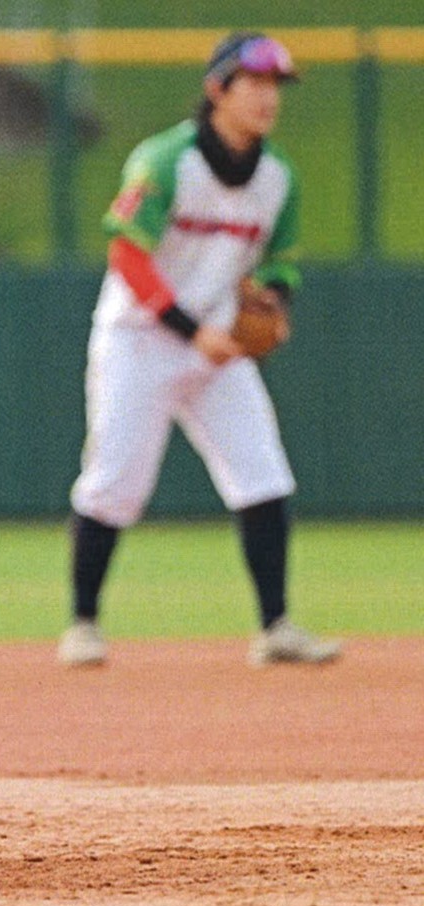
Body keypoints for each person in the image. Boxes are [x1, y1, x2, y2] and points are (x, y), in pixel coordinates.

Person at [59, 32, 341, 669]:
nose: (269, 98)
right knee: (114, 484)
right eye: (256, 84)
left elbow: (280, 265)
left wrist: (275, 304)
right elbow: (127, 255)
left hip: (217, 348)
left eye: (276, 87)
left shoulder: (278, 179)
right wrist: (191, 330)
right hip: (138, 340)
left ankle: (275, 627)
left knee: (263, 473)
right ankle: (83, 622)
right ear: (218, 89)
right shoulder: (166, 160)